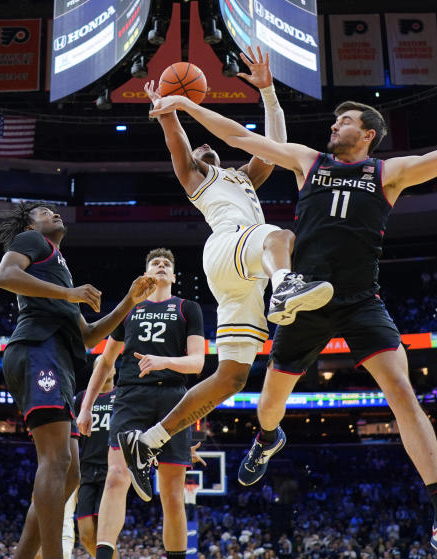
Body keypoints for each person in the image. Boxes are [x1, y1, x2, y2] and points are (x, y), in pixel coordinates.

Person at [147, 47, 437, 559]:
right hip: (304, 299)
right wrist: (184, 105)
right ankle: (268, 439)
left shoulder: (389, 172)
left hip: (362, 302)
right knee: (268, 407)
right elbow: (240, 138)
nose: (334, 125)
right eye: (336, 119)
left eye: (344, 120)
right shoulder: (307, 162)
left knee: (403, 393)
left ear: (367, 134)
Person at [117, 47, 332, 497]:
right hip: (230, 246)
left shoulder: (243, 178)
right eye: (200, 147)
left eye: (207, 144)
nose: (206, 145)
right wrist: (167, 112)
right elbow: (178, 143)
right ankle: (286, 285)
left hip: (244, 275)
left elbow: (273, 149)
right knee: (280, 236)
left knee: (231, 377)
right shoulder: (197, 178)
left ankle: (149, 442)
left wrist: (269, 93)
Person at [0, 201, 153, 559]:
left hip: (58, 361)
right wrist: (68, 293)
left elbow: (89, 334)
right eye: (44, 211)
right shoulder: (33, 242)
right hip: (35, 352)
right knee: (57, 461)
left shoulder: (58, 267)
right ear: (30, 223)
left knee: (72, 474)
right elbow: (4, 276)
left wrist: (130, 301)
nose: (55, 213)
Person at [77, 248, 205, 559]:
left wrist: (164, 361)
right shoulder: (130, 309)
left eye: (167, 263)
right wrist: (85, 407)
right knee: (116, 477)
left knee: (172, 496)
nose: (161, 266)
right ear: (145, 275)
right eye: (155, 263)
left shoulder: (187, 308)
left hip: (173, 399)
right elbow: (105, 361)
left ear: (174, 277)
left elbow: (197, 363)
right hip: (130, 398)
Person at [69, 359, 129, 559]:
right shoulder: (83, 397)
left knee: (104, 536)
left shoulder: (123, 394)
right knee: (85, 535)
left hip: (110, 471)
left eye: (106, 365)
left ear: (114, 370)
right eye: (97, 366)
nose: (102, 369)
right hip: (86, 470)